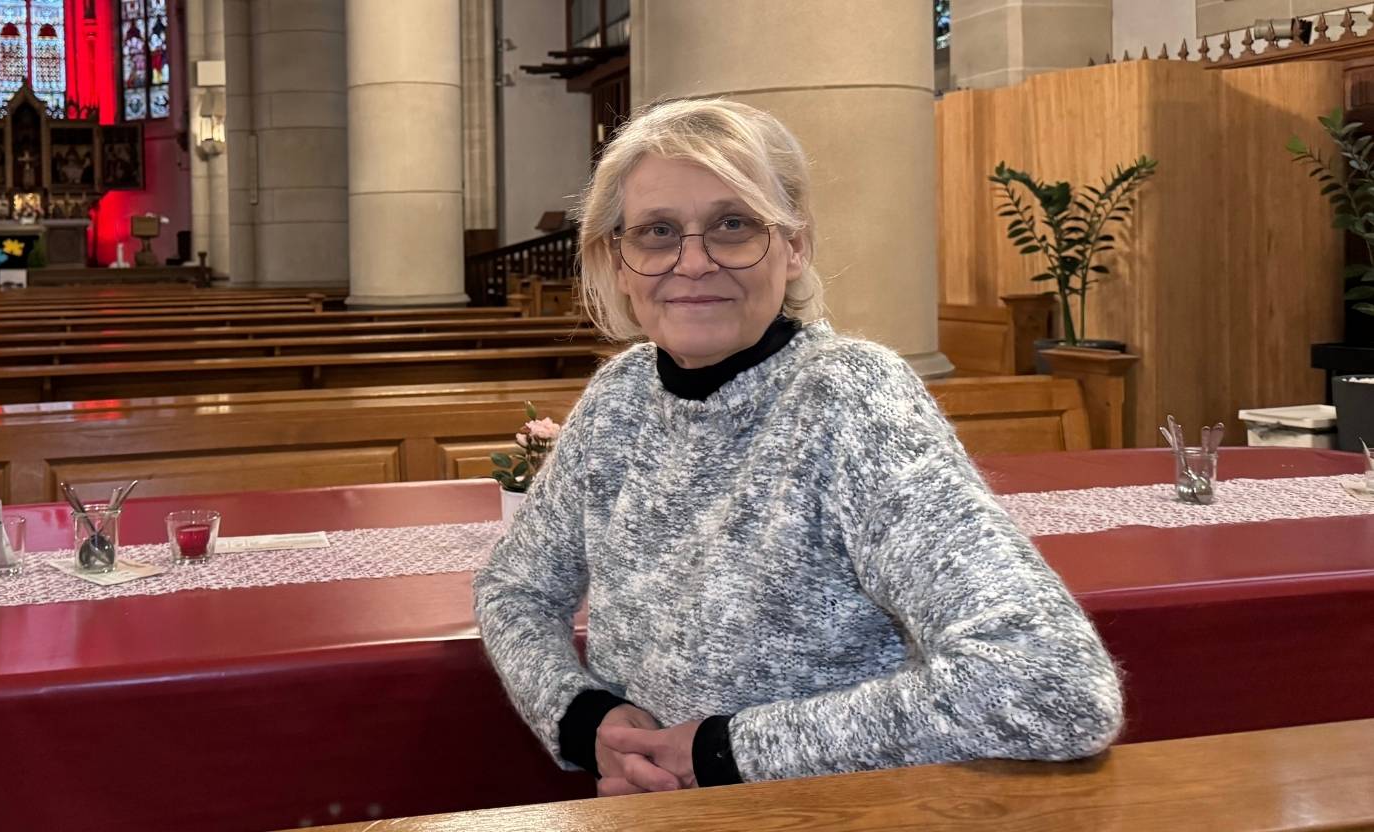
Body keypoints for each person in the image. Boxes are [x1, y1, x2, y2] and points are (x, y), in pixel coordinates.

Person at [472, 98, 1123, 796]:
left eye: (733, 225)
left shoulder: (848, 397)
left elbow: (1051, 682)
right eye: (657, 232)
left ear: (794, 247)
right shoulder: (620, 399)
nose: (693, 262)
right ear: (618, 261)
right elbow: (514, 588)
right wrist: (585, 722)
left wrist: (727, 752)